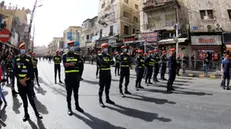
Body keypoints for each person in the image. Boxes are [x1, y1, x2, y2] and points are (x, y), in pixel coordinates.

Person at [14, 43, 42, 121]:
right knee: (24, 101)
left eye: (24, 48)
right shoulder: (16, 59)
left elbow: (31, 71)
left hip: (28, 82)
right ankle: (26, 114)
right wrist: (20, 80)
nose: (23, 50)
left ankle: (37, 113)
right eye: (21, 48)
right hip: (20, 83)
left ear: (25, 50)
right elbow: (15, 71)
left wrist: (25, 79)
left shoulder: (29, 58)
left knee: (31, 99)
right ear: (19, 50)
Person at [63, 41, 84, 116]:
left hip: (76, 78)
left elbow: (80, 65)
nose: (71, 47)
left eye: (73, 46)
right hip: (68, 78)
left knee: (76, 93)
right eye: (70, 46)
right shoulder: (65, 56)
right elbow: (65, 65)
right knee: (69, 94)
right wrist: (73, 64)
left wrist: (71, 64)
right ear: (68, 47)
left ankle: (77, 106)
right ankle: (69, 108)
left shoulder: (77, 56)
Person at [97, 43, 115, 107]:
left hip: (108, 73)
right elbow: (102, 62)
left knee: (107, 87)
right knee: (101, 87)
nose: (106, 49)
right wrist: (108, 62)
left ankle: (107, 99)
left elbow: (113, 62)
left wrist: (107, 62)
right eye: (105, 48)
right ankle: (100, 100)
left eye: (107, 48)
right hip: (102, 73)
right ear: (102, 48)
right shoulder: (99, 56)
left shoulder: (108, 56)